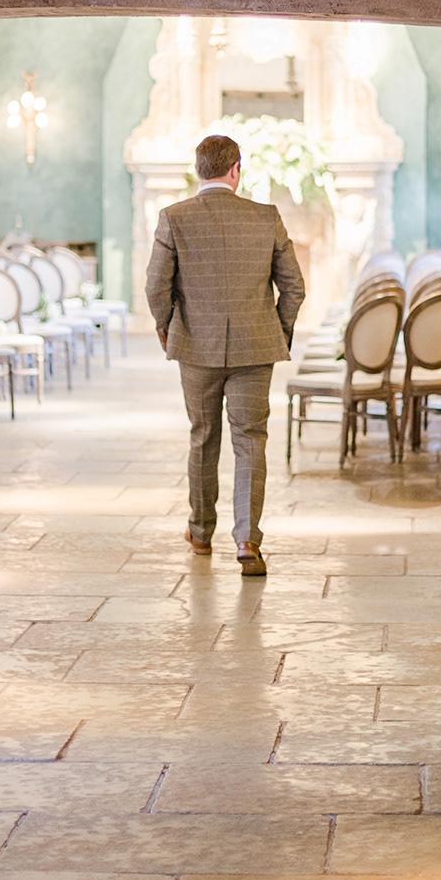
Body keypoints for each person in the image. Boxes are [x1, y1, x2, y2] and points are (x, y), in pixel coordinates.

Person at [145, 134, 306, 576]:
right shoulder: (265, 217)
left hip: (196, 346)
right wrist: (279, 330)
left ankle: (200, 533)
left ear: (200, 169)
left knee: (203, 435)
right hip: (256, 348)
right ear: (236, 168)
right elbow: (294, 287)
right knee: (250, 440)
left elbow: (156, 287)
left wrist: (168, 330)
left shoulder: (174, 218)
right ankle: (247, 541)